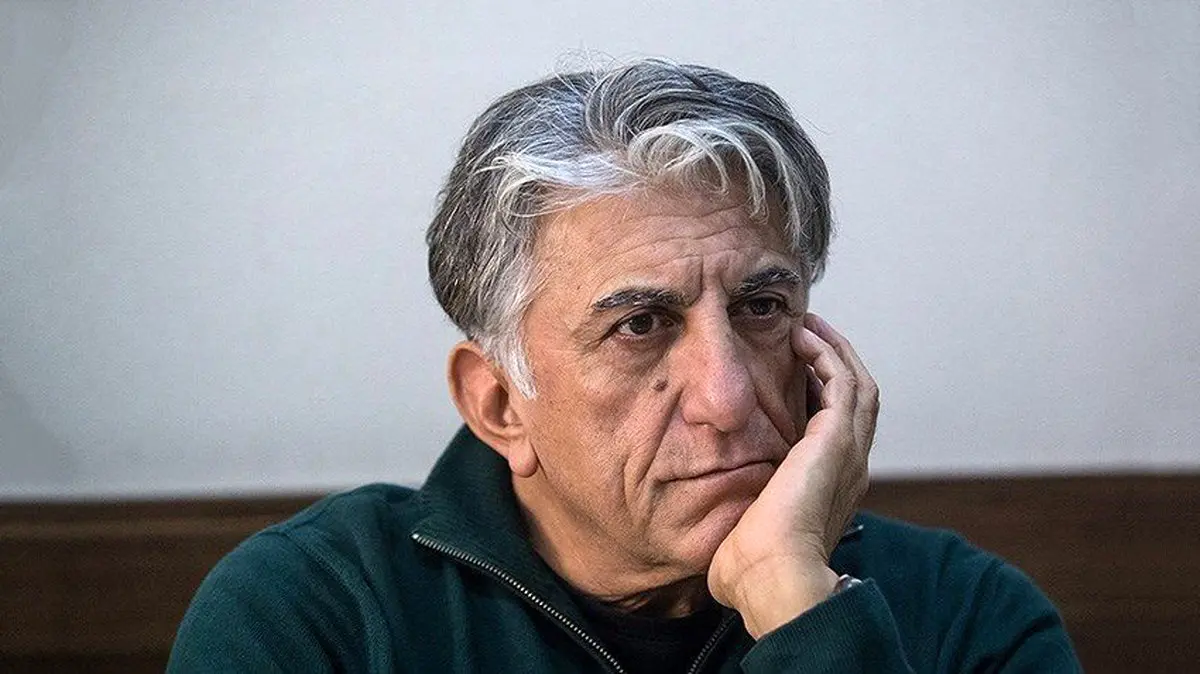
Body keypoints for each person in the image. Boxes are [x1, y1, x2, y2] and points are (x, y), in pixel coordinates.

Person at [168, 59, 1081, 673]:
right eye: (640, 325)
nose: (727, 398)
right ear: (499, 404)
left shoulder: (968, 617)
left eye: (761, 309)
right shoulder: (315, 614)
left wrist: (801, 607)